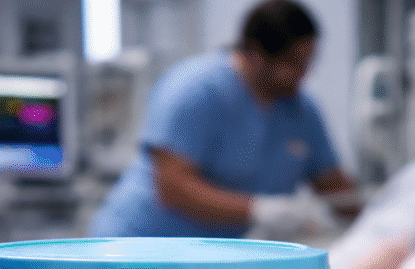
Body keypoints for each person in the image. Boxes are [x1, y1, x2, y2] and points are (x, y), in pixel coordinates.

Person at [90, 0, 358, 240]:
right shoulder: (195, 91)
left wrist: (388, 209)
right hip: (139, 245)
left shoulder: (300, 111)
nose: (303, 74)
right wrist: (259, 209)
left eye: (308, 63)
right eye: (292, 63)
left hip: (206, 260)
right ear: (255, 54)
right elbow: (173, 187)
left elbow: (332, 185)